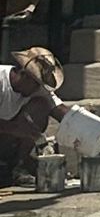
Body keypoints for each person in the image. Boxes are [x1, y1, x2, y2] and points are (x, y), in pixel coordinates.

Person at [0, 47, 70, 182]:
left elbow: (58, 109)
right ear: (23, 74)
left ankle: (19, 167)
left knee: (41, 105)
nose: (38, 89)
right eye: (36, 84)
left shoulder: (36, 90)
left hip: (7, 140)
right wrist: (18, 129)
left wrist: (84, 124)